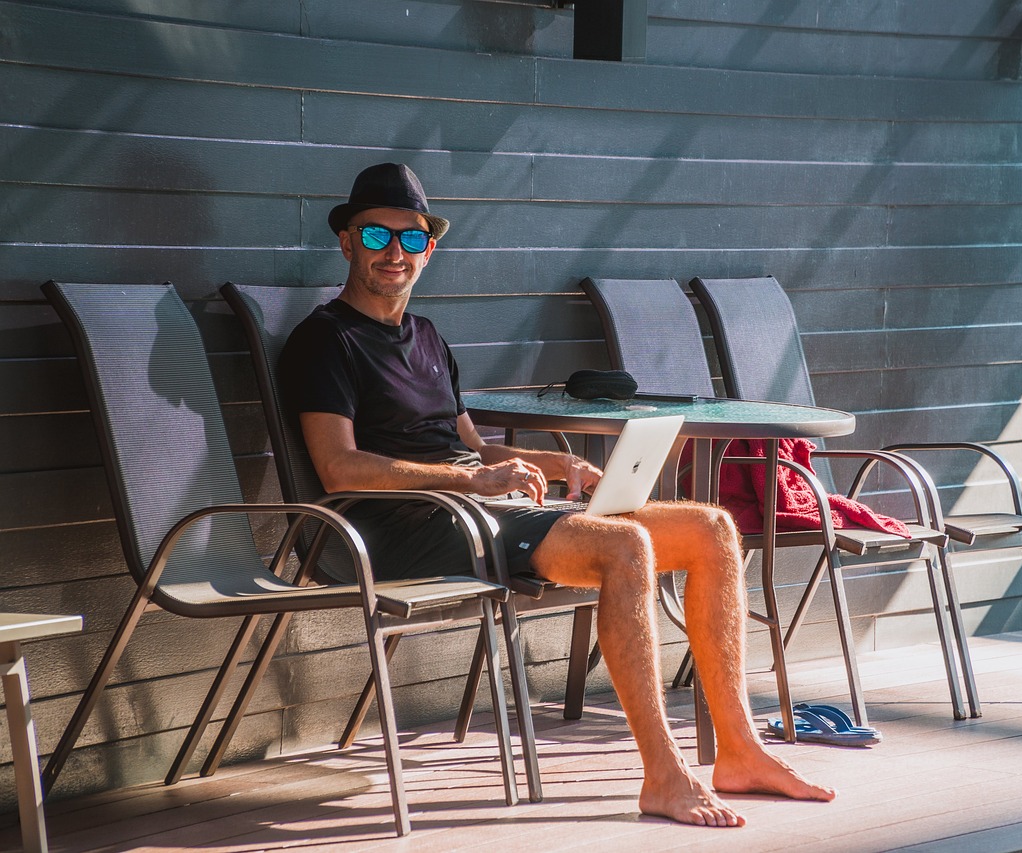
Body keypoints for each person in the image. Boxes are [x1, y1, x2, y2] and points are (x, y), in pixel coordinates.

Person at [279, 162, 837, 828]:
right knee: (624, 545)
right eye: (376, 236)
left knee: (712, 529)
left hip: (480, 509)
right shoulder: (326, 341)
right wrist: (472, 481)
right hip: (403, 528)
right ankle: (663, 773)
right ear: (347, 241)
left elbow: (472, 447)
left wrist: (555, 462)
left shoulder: (427, 337)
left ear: (430, 249)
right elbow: (339, 468)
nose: (394, 251)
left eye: (411, 237)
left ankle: (740, 751)